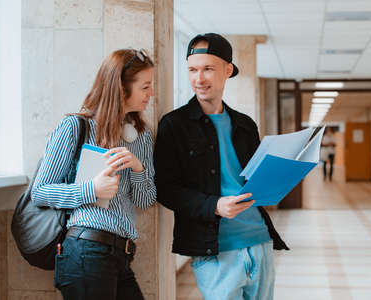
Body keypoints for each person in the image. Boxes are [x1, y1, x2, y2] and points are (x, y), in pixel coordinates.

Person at [154, 33, 288, 300]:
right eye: (192, 70)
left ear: (227, 70)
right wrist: (215, 205)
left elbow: (256, 178)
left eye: (207, 69)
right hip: (214, 250)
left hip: (259, 240)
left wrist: (277, 179)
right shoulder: (174, 125)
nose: (198, 79)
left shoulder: (245, 124)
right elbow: (165, 189)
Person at [31, 48, 157, 300]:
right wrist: (92, 189)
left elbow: (146, 200)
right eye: (145, 86)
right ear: (121, 88)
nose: (151, 93)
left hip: (122, 255)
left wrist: (138, 168)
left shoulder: (140, 137)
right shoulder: (75, 128)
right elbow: (40, 192)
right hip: (86, 251)